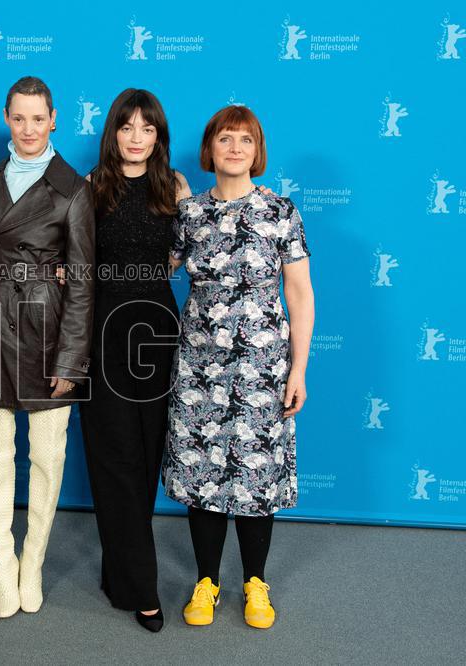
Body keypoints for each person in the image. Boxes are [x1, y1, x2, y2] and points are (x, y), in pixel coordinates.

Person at [163, 105, 314, 629]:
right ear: (210, 148)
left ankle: (256, 583)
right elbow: (155, 269)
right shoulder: (189, 214)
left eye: (244, 141)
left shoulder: (280, 213)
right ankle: (206, 581)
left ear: (257, 152)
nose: (234, 148)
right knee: (203, 472)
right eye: (225, 139)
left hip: (263, 366)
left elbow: (299, 292)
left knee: (256, 475)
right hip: (200, 364)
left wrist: (298, 369)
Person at [0, 76, 95, 618]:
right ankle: (3, 567)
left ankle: (32, 562)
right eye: (18, 118)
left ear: (54, 120)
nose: (27, 128)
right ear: (6, 117)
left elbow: (85, 280)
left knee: (46, 461)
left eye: (37, 119)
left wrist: (71, 360)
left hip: (47, 337)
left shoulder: (74, 187)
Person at [79, 89, 191, 633]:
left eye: (147, 128)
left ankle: (121, 572)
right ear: (113, 133)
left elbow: (181, 258)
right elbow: (72, 264)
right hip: (103, 331)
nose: (137, 137)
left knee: (146, 454)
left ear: (159, 137)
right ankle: (144, 589)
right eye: (127, 127)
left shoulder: (175, 188)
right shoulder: (91, 188)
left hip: (158, 334)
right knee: (112, 456)